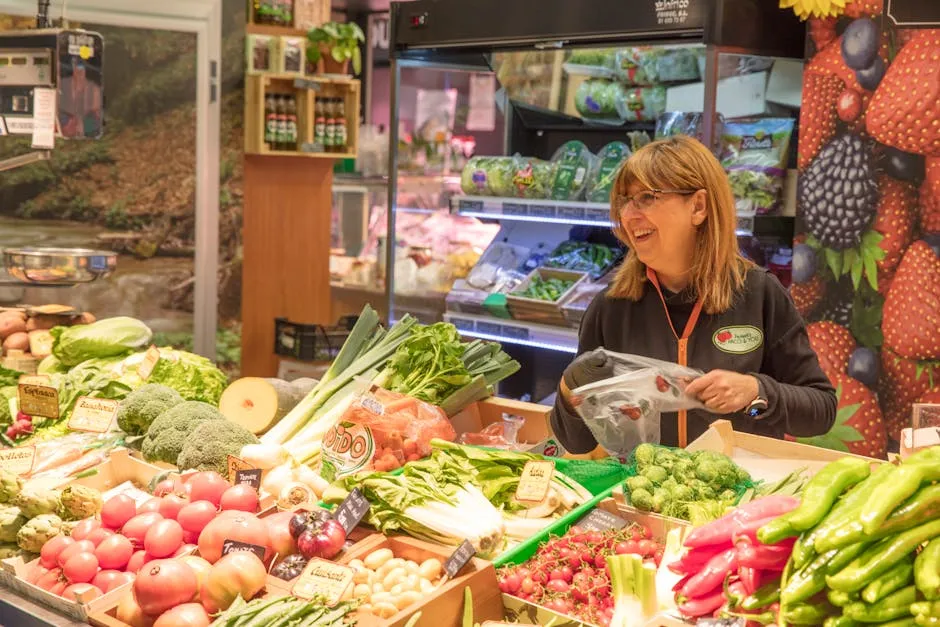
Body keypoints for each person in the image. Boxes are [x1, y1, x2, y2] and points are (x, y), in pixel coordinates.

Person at [551, 135, 836, 454]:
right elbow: (576, 442)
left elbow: (821, 410)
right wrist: (568, 388)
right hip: (644, 494)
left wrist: (755, 392)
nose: (629, 215)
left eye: (646, 197)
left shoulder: (759, 294)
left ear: (698, 206)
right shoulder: (611, 307)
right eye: (624, 201)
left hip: (741, 494)